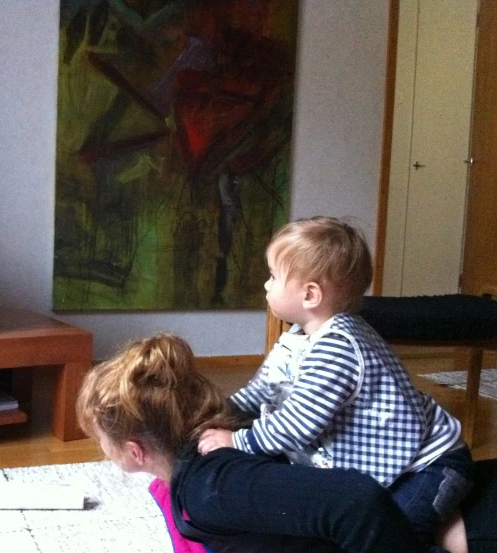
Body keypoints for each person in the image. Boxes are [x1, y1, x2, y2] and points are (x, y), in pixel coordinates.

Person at [197, 216, 473, 551]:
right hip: (397, 464)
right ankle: (447, 520)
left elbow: (296, 426)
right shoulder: (297, 337)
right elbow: (261, 390)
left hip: (427, 465)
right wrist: (220, 414)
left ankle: (452, 519)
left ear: (310, 294)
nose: (266, 285)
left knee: (388, 537)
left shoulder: (338, 347)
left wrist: (239, 441)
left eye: (273, 276)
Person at [77, 332, 445, 553]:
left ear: (134, 450)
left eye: (100, 438)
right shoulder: (186, 478)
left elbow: (356, 501)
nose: (100, 447)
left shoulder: (216, 487)